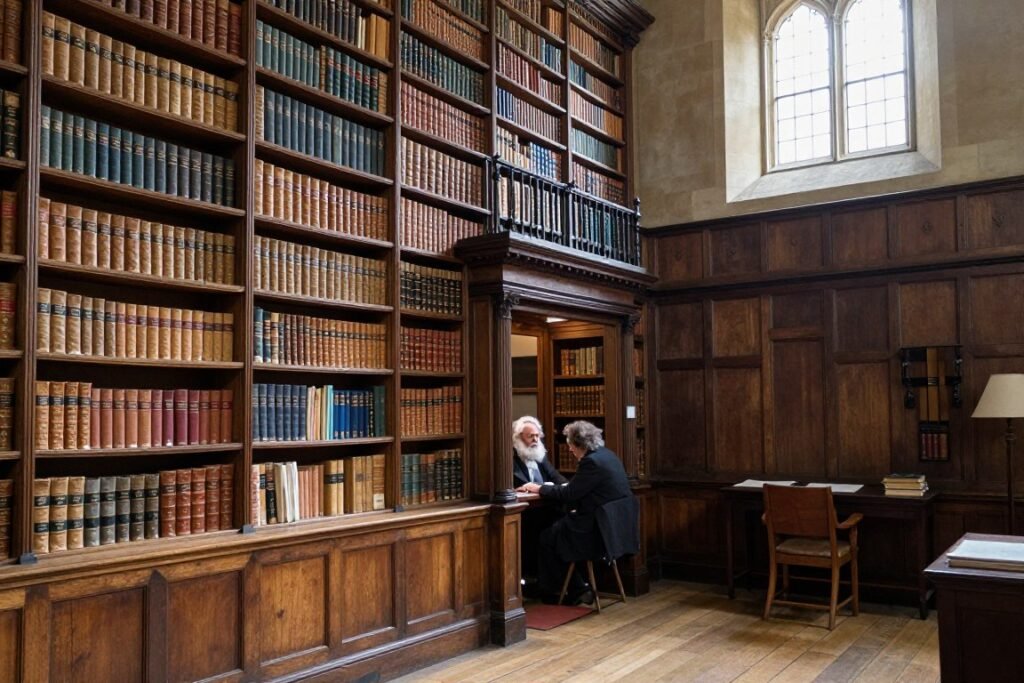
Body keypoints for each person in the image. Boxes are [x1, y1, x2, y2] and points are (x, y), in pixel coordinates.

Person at [517, 420, 633, 605]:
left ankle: (560, 591)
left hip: (596, 530)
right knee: (556, 530)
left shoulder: (591, 462)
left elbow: (570, 493)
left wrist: (538, 488)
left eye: (570, 444)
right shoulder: (607, 455)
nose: (569, 449)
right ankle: (576, 586)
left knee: (547, 538)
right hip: (613, 527)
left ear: (579, 444)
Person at [512, 416, 567, 488]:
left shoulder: (540, 457)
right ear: (518, 438)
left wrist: (566, 486)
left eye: (537, 435)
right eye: (530, 436)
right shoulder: (511, 461)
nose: (535, 440)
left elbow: (556, 477)